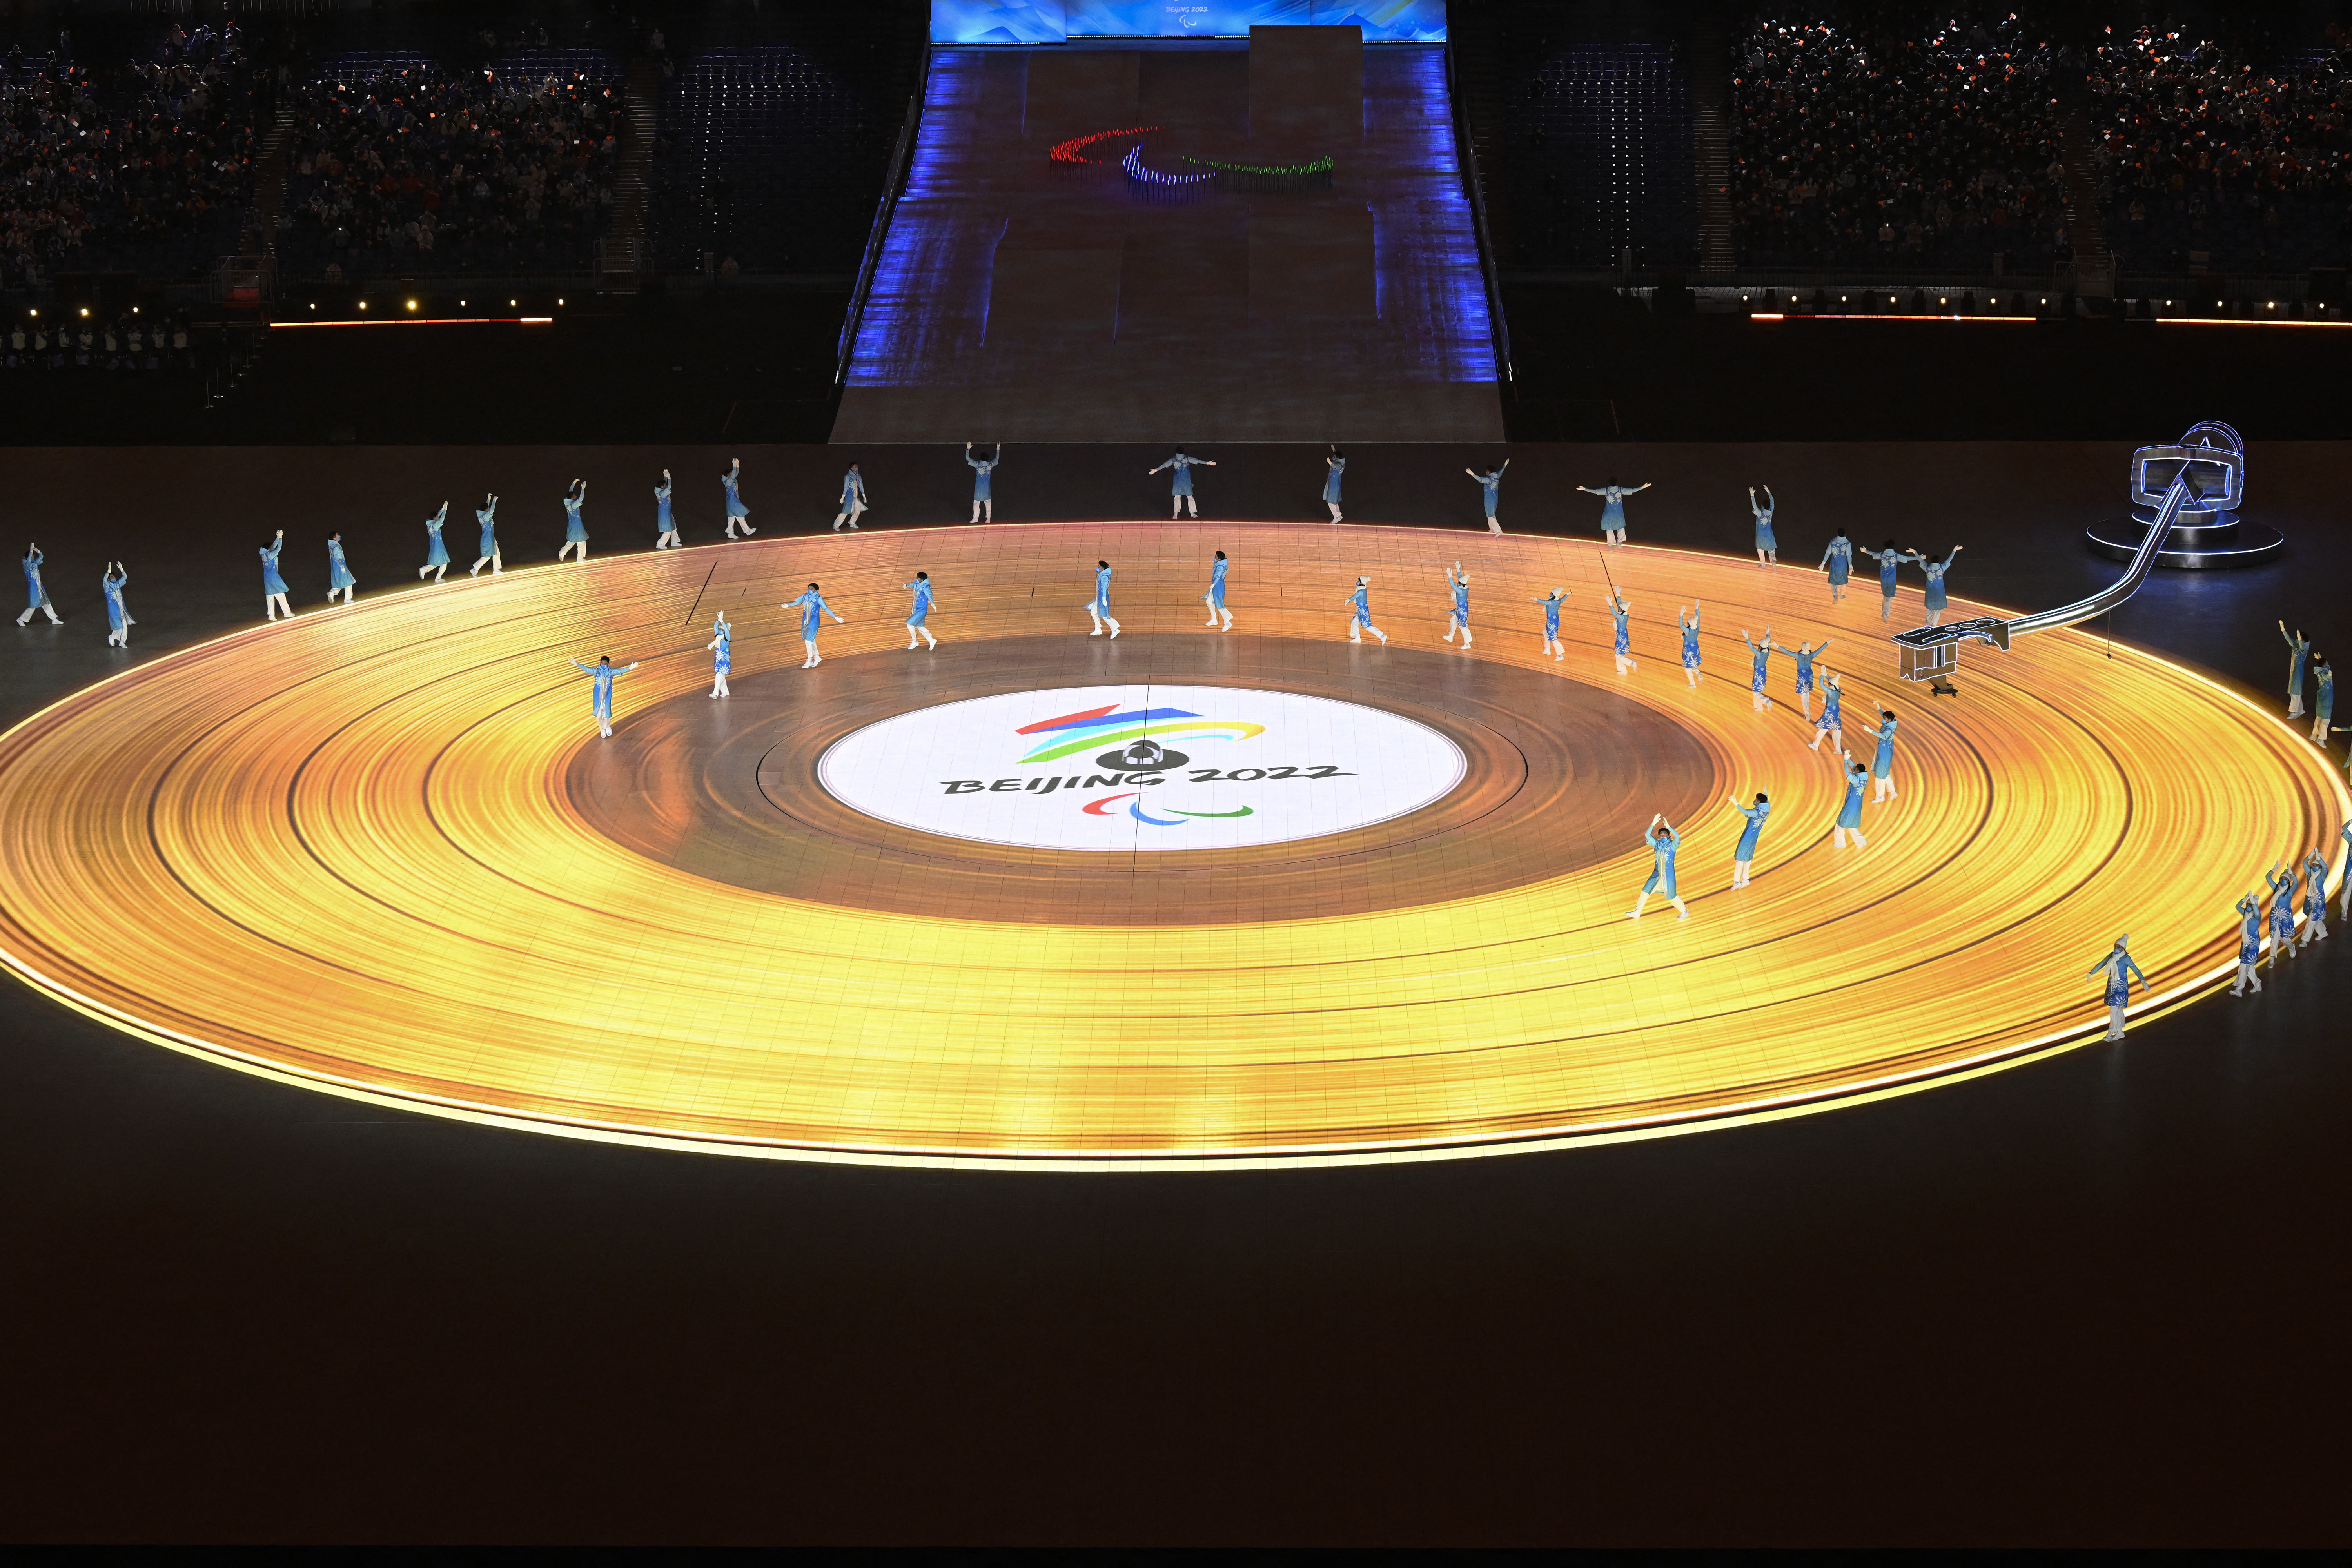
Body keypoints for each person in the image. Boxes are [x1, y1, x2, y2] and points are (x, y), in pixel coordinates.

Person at [2086, 935, 2147, 1042]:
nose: (2116, 948)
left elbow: (2136, 970)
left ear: (2124, 948)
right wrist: (2091, 973)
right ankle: (2117, 1033)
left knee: (2113, 1011)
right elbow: (2102, 964)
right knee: (2117, 1010)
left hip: (2121, 988)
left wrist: (2143, 981)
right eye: (2116, 946)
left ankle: (2114, 1032)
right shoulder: (2111, 956)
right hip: (2112, 987)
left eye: (2119, 946)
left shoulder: (2126, 959)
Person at [1628, 813, 1689, 920]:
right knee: (1645, 891)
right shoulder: (1656, 844)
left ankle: (1684, 911)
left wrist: (1669, 827)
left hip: (1668, 876)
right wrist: (1653, 824)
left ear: (1669, 836)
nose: (1663, 836)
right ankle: (1637, 912)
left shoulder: (1673, 845)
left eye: (1665, 834)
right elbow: (1647, 835)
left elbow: (1678, 836)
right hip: (1656, 875)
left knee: (1672, 896)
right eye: (1661, 835)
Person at [567, 653, 638, 738]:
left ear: (608, 664)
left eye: (605, 663)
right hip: (597, 696)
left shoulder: (611, 672)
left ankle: (607, 726)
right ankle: (602, 728)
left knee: (607, 715)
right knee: (598, 716)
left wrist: (630, 668)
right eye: (602, 663)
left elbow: (620, 671)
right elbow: (586, 668)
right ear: (600, 663)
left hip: (607, 696)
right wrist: (576, 664)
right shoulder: (596, 671)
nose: (603, 664)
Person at [1577, 477, 1649, 548]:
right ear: (1616, 483)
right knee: (1621, 527)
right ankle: (1619, 542)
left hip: (1609, 513)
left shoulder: (1606, 490)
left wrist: (1585, 489)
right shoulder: (1621, 490)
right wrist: (1642, 487)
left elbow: (1595, 491)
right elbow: (1632, 491)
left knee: (1609, 528)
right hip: (1619, 513)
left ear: (1609, 483)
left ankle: (1610, 544)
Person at [785, 581, 844, 667]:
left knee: (808, 641)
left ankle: (809, 659)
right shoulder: (805, 596)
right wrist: (788, 606)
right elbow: (797, 602)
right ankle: (817, 657)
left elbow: (826, 608)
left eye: (811, 589)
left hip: (814, 621)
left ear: (816, 590)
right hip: (806, 621)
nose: (809, 590)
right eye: (809, 588)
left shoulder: (819, 598)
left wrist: (836, 618)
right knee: (811, 639)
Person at [1860, 540, 1918, 622]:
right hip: (1891, 580)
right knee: (1888, 597)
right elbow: (1908, 558)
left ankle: (1885, 613)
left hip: (1884, 579)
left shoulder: (1882, 555)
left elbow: (1873, 554)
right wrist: (1918, 558)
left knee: (1886, 596)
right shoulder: (1896, 556)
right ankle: (1886, 614)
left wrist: (1866, 551)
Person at [1149, 449, 1214, 519]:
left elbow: (1197, 461)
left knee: (1189, 496)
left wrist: (1207, 463)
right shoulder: (1174, 460)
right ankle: (1176, 513)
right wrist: (1156, 470)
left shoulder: (1187, 459)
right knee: (1177, 497)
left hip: (1186, 480)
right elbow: (1165, 465)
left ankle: (1192, 513)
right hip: (1178, 480)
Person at [1779, 636, 1833, 720]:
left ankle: (1807, 712)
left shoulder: (1798, 655)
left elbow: (1786, 651)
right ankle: (1807, 711)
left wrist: (1777, 646)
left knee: (1804, 694)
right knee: (1806, 693)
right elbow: (1820, 650)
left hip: (1802, 677)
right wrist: (1827, 643)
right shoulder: (1811, 655)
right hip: (1810, 676)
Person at [1728, 792, 1770, 887]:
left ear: (1759, 802)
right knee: (1747, 859)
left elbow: (1746, 812)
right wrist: (1766, 795)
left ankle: (1737, 882)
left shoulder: (1756, 813)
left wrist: (1736, 803)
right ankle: (1745, 879)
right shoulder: (1767, 810)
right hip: (1754, 837)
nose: (1755, 801)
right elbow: (1766, 802)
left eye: (1756, 800)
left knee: (1740, 859)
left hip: (1747, 838)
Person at [2263, 861, 2299, 969]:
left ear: (2289, 881)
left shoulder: (2290, 891)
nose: (2283, 880)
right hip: (2275, 917)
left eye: (2286, 879)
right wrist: (2274, 870)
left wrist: (2292, 874)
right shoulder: (2276, 888)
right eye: (2282, 878)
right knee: (2274, 938)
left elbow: (2296, 883)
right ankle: (2272, 958)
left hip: (2285, 918)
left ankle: (2291, 947)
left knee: (2285, 939)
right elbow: (2268, 878)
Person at [1918, 545, 1963, 626]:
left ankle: (1927, 623)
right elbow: (1949, 560)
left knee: (1930, 608)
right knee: (1938, 610)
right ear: (1939, 561)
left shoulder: (1927, 568)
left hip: (1930, 592)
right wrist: (1954, 551)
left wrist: (1915, 553)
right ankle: (1934, 625)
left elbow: (1921, 560)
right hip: (1940, 592)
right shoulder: (1942, 568)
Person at [16, 543, 59, 626]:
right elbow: (28, 564)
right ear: (28, 557)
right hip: (33, 588)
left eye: (33, 557)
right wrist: (31, 552)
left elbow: (41, 557)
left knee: (47, 603)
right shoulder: (26, 566)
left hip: (40, 587)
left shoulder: (35, 563)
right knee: (33, 606)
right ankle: (21, 619)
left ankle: (54, 619)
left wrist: (38, 552)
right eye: (31, 556)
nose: (33, 558)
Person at [2230, 891, 2264, 995]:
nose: (2248, 907)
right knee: (2249, 968)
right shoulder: (2245, 915)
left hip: (2253, 944)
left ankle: (2239, 989)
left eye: (2251, 905)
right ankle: (2258, 985)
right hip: (2245, 943)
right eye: (2247, 905)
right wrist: (2245, 899)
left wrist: (2253, 901)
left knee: (2244, 966)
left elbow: (2257, 912)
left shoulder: (2257, 917)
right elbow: (2238, 907)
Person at [1833, 751, 1869, 848]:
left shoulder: (1856, 781)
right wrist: (1849, 759)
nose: (1854, 770)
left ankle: (1840, 843)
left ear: (1858, 771)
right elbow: (1854, 768)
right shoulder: (1864, 777)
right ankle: (1861, 842)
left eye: (1856, 770)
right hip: (1856, 805)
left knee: (1841, 824)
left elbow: (1847, 772)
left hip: (1851, 805)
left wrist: (1845, 761)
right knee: (1852, 826)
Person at [1467, 460, 1510, 535]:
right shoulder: (1497, 476)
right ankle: (1492, 529)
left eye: (1487, 471)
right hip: (1495, 499)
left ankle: (1499, 531)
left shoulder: (1488, 480)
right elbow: (1501, 471)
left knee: (1491, 516)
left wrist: (1472, 474)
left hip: (1489, 499)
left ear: (1489, 472)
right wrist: (1505, 465)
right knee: (1491, 514)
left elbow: (1480, 479)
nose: (1486, 472)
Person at [2301, 846, 2332, 946]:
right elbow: (2304, 864)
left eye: (2317, 865)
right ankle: (2323, 933)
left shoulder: (2322, 875)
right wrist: (2310, 857)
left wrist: (2319, 858)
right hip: (2309, 900)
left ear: (2320, 867)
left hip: (2319, 902)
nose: (2315, 866)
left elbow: (2325, 867)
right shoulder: (2309, 873)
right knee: (2316, 919)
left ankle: (2305, 941)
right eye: (2313, 864)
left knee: (2311, 919)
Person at [1739, 626, 1775, 711]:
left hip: (1758, 674)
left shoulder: (1759, 654)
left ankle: (1767, 702)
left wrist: (1747, 638)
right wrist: (1767, 634)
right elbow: (1768, 642)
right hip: (1762, 672)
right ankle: (1758, 708)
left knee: (1755, 692)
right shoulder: (1768, 651)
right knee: (1757, 691)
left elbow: (1752, 648)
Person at [260, 530, 294, 620]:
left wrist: (278, 538)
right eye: (271, 548)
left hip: (267, 577)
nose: (273, 548)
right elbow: (279, 548)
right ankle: (287, 612)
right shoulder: (271, 555)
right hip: (273, 577)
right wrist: (281, 539)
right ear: (269, 549)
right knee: (280, 595)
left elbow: (274, 546)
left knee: (270, 596)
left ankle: (271, 615)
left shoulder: (264, 553)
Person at [1344, 575, 1387, 645]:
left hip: (1363, 611)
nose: (1358, 582)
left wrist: (1349, 600)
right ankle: (1357, 638)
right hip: (1360, 610)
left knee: (1368, 626)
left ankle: (1382, 636)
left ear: (1362, 582)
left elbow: (1356, 596)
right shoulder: (1362, 589)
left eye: (1359, 581)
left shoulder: (1361, 591)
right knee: (1354, 623)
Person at [1810, 670, 1846, 753]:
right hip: (1836, 711)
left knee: (1823, 728)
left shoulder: (1830, 692)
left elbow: (1821, 685)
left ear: (1831, 685)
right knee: (1836, 730)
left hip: (1829, 712)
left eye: (1829, 684)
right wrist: (1826, 675)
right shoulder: (1838, 689)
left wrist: (1822, 676)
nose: (1828, 684)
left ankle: (1815, 745)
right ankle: (1838, 749)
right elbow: (1831, 681)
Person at [2281, 621, 2310, 717]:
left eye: (2300, 637)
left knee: (2295, 691)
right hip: (2294, 671)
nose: (2298, 638)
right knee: (2294, 691)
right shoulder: (2296, 646)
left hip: (2298, 672)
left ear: (2303, 640)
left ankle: (2294, 712)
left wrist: (2300, 640)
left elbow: (2302, 648)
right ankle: (2300, 710)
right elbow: (2289, 639)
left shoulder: (2305, 649)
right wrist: (2283, 630)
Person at [1085, 559, 1121, 639]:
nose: (1097, 568)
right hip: (1099, 598)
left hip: (1102, 598)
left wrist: (1104, 599)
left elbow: (1104, 588)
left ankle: (1115, 629)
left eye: (1099, 567)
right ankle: (1098, 629)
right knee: (1094, 612)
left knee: (1104, 615)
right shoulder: (1102, 575)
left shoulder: (1104, 577)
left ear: (1102, 568)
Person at [1869, 710, 1899, 801]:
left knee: (1880, 776)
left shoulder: (1888, 730)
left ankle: (1880, 796)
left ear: (1890, 720)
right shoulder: (1891, 724)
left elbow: (1882, 735)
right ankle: (1893, 792)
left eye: (1885, 719)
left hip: (1884, 754)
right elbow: (1884, 715)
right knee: (1885, 774)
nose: (1883, 720)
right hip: (1886, 752)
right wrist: (1878, 708)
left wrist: (1870, 731)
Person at [469, 494, 502, 576]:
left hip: (490, 538)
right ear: (486, 510)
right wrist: (494, 501)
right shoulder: (486, 516)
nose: (489, 509)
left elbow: (486, 507)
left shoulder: (482, 516)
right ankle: (475, 569)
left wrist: (489, 499)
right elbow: (492, 511)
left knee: (496, 553)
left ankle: (496, 570)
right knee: (487, 556)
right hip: (488, 539)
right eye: (488, 508)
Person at [965, 443, 999, 524]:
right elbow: (997, 459)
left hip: (978, 488)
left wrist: (968, 449)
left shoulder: (977, 465)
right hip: (987, 488)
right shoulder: (990, 465)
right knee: (988, 504)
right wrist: (998, 449)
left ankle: (975, 518)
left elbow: (968, 459)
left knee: (976, 504)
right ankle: (988, 518)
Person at [1533, 586, 1568, 662]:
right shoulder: (1558, 601)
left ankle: (1560, 655)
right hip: (1554, 621)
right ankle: (1548, 649)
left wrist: (1537, 600)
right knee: (1546, 633)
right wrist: (1567, 594)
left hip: (1552, 622)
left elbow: (1544, 602)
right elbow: (1563, 599)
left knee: (1554, 639)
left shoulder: (1551, 603)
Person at [1606, 590, 1637, 674]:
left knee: (1618, 654)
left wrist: (1610, 604)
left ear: (1622, 610)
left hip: (1621, 637)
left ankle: (1632, 663)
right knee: (1619, 654)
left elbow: (1615, 614)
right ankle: (1622, 670)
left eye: (1620, 608)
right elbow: (1620, 605)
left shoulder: (1622, 618)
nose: (1619, 608)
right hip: (1622, 635)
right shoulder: (1624, 613)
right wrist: (1618, 594)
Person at [1443, 562, 1472, 648]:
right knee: (1453, 621)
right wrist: (1458, 570)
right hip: (1460, 609)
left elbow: (1453, 585)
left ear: (1461, 585)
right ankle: (1451, 636)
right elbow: (1461, 580)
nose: (1458, 583)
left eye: (1459, 583)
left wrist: (1450, 576)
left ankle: (1467, 644)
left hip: (1462, 611)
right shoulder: (1465, 588)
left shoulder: (1461, 592)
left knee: (1463, 626)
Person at [558, 479, 589, 563]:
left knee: (573, 541)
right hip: (577, 525)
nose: (575, 496)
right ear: (572, 498)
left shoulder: (567, 503)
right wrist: (583, 489)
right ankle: (580, 558)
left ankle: (562, 552)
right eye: (574, 496)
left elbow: (570, 492)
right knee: (581, 541)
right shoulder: (574, 505)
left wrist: (574, 483)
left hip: (572, 525)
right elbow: (581, 499)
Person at [101, 561, 131, 647]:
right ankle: (112, 637)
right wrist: (108, 572)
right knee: (119, 627)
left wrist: (122, 570)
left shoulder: (117, 585)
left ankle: (122, 642)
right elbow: (104, 581)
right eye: (111, 577)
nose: (113, 577)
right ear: (109, 579)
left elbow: (125, 577)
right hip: (114, 611)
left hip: (121, 609)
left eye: (114, 576)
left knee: (125, 627)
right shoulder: (107, 587)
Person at [905, 571, 937, 650]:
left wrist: (933, 604)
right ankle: (931, 640)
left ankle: (915, 641)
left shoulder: (926, 587)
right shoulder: (917, 585)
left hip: (922, 610)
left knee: (910, 625)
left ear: (922, 580)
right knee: (920, 627)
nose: (917, 579)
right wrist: (906, 586)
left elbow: (929, 596)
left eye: (918, 578)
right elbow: (912, 585)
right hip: (916, 609)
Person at [726, 458, 757, 537]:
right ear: (728, 475)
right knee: (740, 516)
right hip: (733, 502)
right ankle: (747, 531)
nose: (732, 474)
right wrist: (734, 466)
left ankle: (731, 533)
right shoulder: (728, 482)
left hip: (733, 501)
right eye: (731, 473)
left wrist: (737, 465)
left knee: (732, 518)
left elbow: (736, 473)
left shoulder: (733, 481)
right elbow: (734, 475)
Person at [1820, 528, 1853, 604]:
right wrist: (1851, 566)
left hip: (1834, 564)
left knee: (1833, 580)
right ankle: (1842, 594)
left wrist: (1823, 563)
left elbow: (1828, 553)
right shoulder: (1847, 543)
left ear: (1837, 534)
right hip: (1843, 565)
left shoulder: (1833, 542)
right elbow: (1849, 555)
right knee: (1843, 579)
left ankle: (1835, 596)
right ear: (1845, 534)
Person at [420, 503, 451, 581]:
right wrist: (445, 511)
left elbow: (438, 516)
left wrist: (442, 509)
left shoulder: (430, 525)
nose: (438, 517)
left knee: (437, 563)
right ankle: (438, 578)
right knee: (444, 563)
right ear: (434, 519)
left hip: (434, 546)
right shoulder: (436, 525)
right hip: (439, 546)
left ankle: (425, 570)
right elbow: (442, 519)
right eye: (437, 517)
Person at [1749, 483, 1778, 566]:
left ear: (1763, 506)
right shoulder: (1771, 512)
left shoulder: (1760, 514)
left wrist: (1752, 495)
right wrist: (1769, 492)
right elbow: (1773, 502)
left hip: (1761, 535)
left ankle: (1763, 565)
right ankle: (1774, 563)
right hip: (1769, 534)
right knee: (1771, 549)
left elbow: (1754, 506)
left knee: (1760, 550)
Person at [705, 612, 731, 698]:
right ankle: (725, 692)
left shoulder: (727, 639)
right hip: (718, 660)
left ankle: (715, 693)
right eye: (721, 629)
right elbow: (715, 627)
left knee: (719, 676)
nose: (721, 630)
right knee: (722, 678)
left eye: (723, 630)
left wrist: (722, 621)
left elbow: (727, 631)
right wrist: (718, 620)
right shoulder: (718, 637)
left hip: (724, 662)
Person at [1203, 550, 1232, 630]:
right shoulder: (1221, 565)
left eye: (1216, 556)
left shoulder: (1220, 566)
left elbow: (1218, 576)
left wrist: (1213, 584)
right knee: (1209, 602)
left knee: (1219, 604)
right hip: (1216, 586)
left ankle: (1227, 622)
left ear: (1219, 559)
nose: (1215, 558)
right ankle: (1214, 619)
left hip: (1218, 586)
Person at [2310, 653, 2334, 746]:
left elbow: (2326, 669)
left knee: (2319, 717)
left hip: (2322, 697)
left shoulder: (2320, 671)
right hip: (2327, 698)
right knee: (2326, 719)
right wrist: (2329, 676)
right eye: (2327, 664)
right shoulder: (2325, 673)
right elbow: (2326, 676)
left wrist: (2319, 659)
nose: (2328, 665)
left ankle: (2314, 735)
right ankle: (2321, 739)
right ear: (2324, 666)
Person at [326, 533, 357, 605]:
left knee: (342, 581)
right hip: (340, 566)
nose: (339, 536)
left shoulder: (332, 546)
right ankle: (348, 599)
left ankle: (333, 592)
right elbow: (338, 558)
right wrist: (342, 566)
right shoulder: (336, 546)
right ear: (334, 538)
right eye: (337, 535)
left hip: (336, 567)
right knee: (349, 581)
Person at [1677, 603, 1702, 688]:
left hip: (1688, 652)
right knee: (1693, 664)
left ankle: (1693, 684)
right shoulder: (1697, 629)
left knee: (1688, 668)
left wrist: (1681, 615)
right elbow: (1699, 618)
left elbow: (1681, 625)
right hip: (1696, 650)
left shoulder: (1688, 632)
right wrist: (1697, 608)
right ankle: (1698, 673)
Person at [653, 470, 679, 549]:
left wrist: (665, 476)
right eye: (665, 485)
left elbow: (664, 484)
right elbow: (669, 487)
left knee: (674, 526)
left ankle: (675, 541)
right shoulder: (663, 494)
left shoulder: (659, 490)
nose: (666, 485)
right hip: (665, 514)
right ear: (663, 487)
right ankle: (660, 544)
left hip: (667, 512)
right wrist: (669, 478)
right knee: (668, 531)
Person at [1323, 446, 1346, 523]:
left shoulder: (1339, 465)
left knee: (1331, 501)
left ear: (1338, 458)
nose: (1334, 457)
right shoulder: (1339, 461)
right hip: (1333, 482)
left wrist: (1330, 462)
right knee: (1334, 501)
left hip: (1334, 485)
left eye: (1335, 456)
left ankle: (1337, 517)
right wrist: (1334, 450)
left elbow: (1335, 466)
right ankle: (1338, 515)